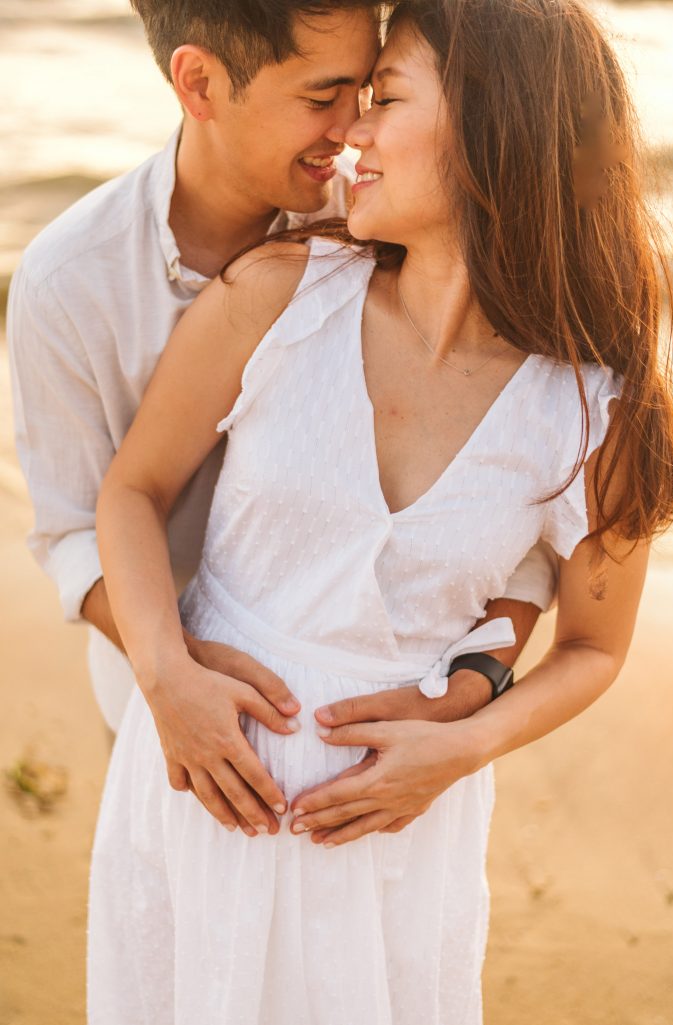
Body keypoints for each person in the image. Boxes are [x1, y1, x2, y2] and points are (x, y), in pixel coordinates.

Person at [91, 0, 673, 1021]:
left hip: (395, 833)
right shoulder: (279, 293)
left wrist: (462, 745)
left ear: (495, 129)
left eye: (385, 100)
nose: (349, 134)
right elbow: (132, 491)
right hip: (202, 794)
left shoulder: (594, 408)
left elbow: (593, 647)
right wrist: (165, 672)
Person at [7, 0, 552, 838]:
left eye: (370, 89)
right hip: (163, 698)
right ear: (199, 82)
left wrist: (476, 682)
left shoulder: (392, 218)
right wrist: (170, 673)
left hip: (378, 732)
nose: (354, 125)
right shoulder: (67, 284)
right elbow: (76, 528)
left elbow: (507, 490)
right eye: (324, 93)